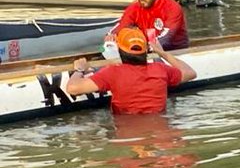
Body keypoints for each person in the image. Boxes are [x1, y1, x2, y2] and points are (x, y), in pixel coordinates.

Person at [66, 25, 196, 115]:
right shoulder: (161, 70)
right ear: (145, 50)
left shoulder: (112, 73)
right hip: (159, 124)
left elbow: (73, 88)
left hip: (126, 128)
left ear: (120, 50)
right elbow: (190, 73)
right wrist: (163, 53)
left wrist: (79, 69)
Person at [113, 0, 190, 50]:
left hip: (174, 51)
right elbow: (121, 27)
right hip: (148, 49)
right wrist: (112, 37)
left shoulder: (172, 8)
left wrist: (144, 49)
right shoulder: (133, 8)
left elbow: (166, 38)